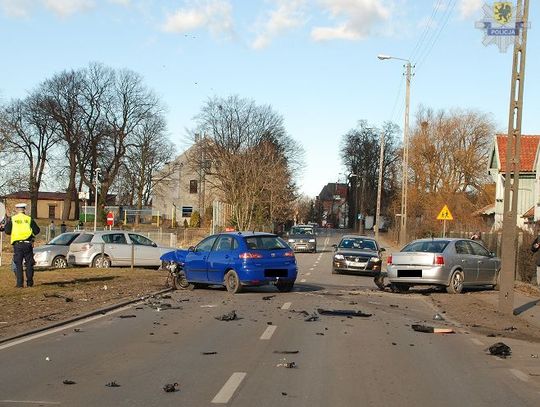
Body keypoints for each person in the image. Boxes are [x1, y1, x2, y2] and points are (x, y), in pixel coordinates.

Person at [4, 203, 40, 288]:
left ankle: (20, 284)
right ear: (24, 210)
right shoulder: (29, 219)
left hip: (18, 245)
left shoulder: (13, 219)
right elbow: (37, 230)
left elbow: (7, 231)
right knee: (29, 264)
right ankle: (29, 283)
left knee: (18, 264)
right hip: (28, 244)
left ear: (16, 210)